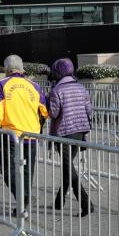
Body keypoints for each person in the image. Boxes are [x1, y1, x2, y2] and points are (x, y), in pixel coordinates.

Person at [0, 54, 47, 210]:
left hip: (11, 134)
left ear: (6, 69)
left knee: (7, 169)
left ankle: (22, 198)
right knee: (27, 170)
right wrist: (38, 126)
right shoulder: (34, 86)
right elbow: (44, 110)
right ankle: (25, 197)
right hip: (32, 134)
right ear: (22, 69)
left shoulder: (2, 84)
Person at [46, 58, 93, 216]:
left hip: (64, 132)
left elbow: (53, 113)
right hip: (80, 131)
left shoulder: (56, 91)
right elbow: (89, 110)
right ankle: (59, 201)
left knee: (68, 168)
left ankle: (86, 203)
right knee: (69, 167)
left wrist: (47, 100)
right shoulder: (81, 88)